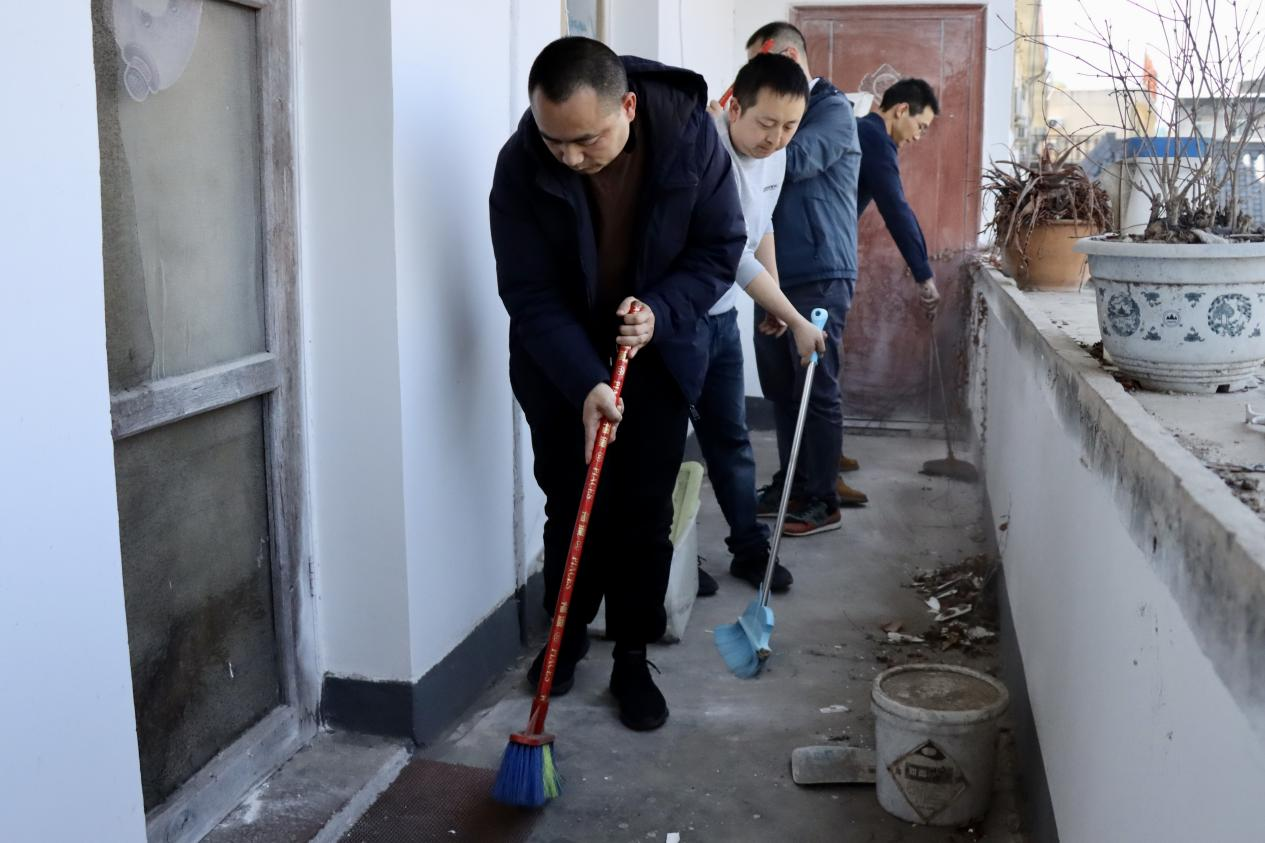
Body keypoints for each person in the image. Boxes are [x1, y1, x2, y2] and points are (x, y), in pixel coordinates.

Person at [490, 37, 743, 732]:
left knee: (641, 514)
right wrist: (585, 383)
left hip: (655, 357)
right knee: (571, 502)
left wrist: (661, 310)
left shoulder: (691, 139)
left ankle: (632, 655)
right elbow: (529, 292)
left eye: (587, 140)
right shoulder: (521, 163)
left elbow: (719, 246)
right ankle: (566, 636)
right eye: (555, 141)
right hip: (558, 365)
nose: (570, 158)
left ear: (627, 106)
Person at [695, 53, 823, 594]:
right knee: (658, 452)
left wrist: (774, 296)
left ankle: (748, 549)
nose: (776, 138)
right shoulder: (708, 152)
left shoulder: (777, 156)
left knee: (732, 439)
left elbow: (761, 224)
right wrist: (793, 316)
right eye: (766, 123)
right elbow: (731, 252)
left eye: (790, 126)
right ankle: (665, 562)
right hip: (678, 321)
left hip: (723, 318)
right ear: (734, 108)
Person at [744, 22, 860, 537]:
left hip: (820, 270)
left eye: (761, 66)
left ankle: (821, 498)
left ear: (788, 57)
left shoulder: (832, 111)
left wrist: (738, 137)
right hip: (771, 273)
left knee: (815, 384)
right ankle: (792, 483)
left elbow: (792, 160)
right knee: (782, 387)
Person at [857, 78, 942, 318]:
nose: (917, 137)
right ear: (902, 110)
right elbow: (896, 211)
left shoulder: (862, 129)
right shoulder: (876, 140)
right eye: (921, 127)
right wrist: (923, 275)